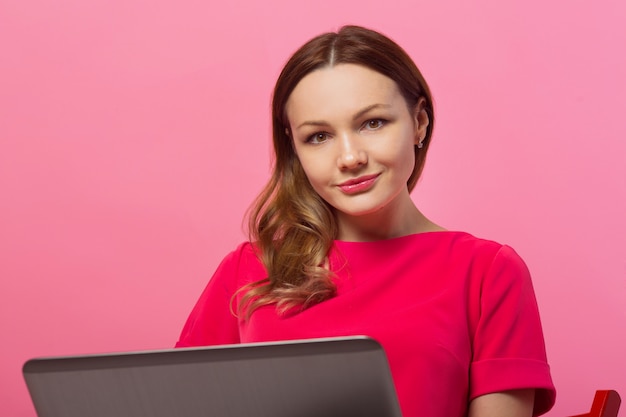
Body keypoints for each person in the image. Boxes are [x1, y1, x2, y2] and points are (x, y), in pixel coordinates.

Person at [176, 25, 556, 417]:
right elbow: (177, 402)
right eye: (319, 136)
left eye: (372, 123)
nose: (350, 157)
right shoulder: (248, 268)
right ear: (295, 149)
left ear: (419, 122)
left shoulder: (487, 272)